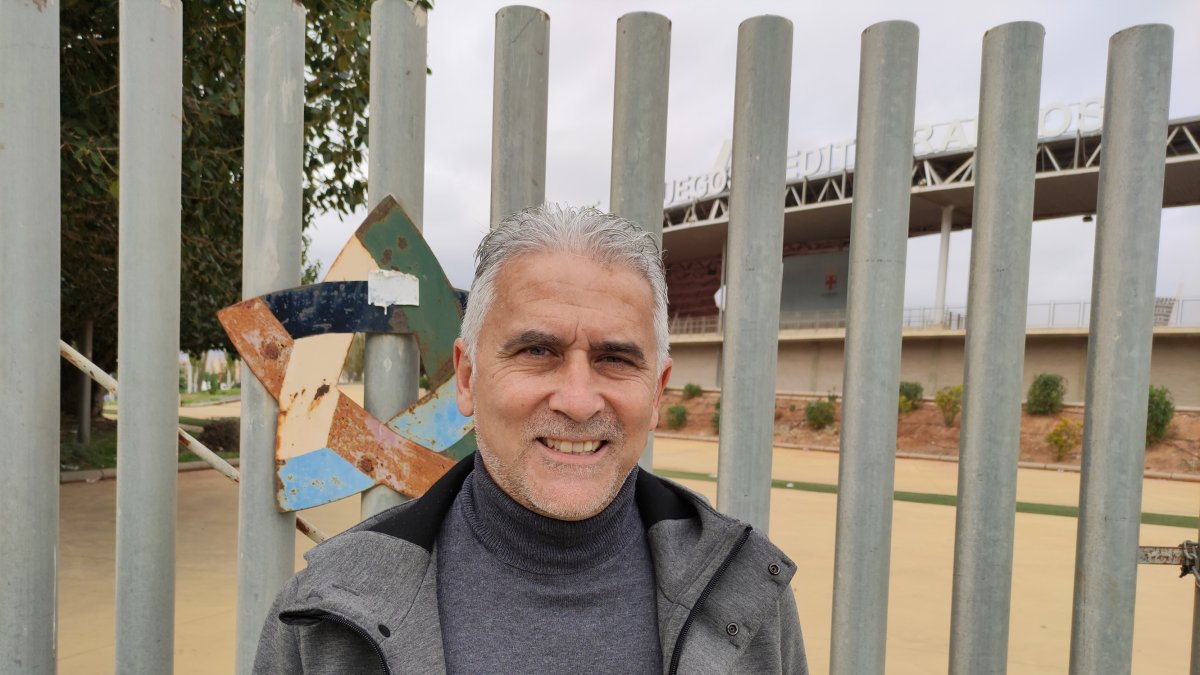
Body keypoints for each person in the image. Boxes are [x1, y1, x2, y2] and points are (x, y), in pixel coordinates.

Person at [253, 205, 808, 674]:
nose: (577, 399)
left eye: (615, 359)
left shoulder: (750, 599)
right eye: (536, 352)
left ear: (657, 392)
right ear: (467, 379)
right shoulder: (320, 621)